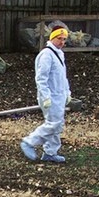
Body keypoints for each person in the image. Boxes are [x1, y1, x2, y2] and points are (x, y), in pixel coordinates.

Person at [20, 26, 70, 163]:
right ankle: (29, 142)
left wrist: (67, 92)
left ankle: (50, 152)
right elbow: (41, 78)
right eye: (59, 38)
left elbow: (63, 76)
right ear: (52, 38)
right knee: (53, 124)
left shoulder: (59, 54)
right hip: (50, 96)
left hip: (59, 95)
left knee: (57, 125)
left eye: (64, 39)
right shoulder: (46, 55)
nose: (62, 42)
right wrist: (46, 96)